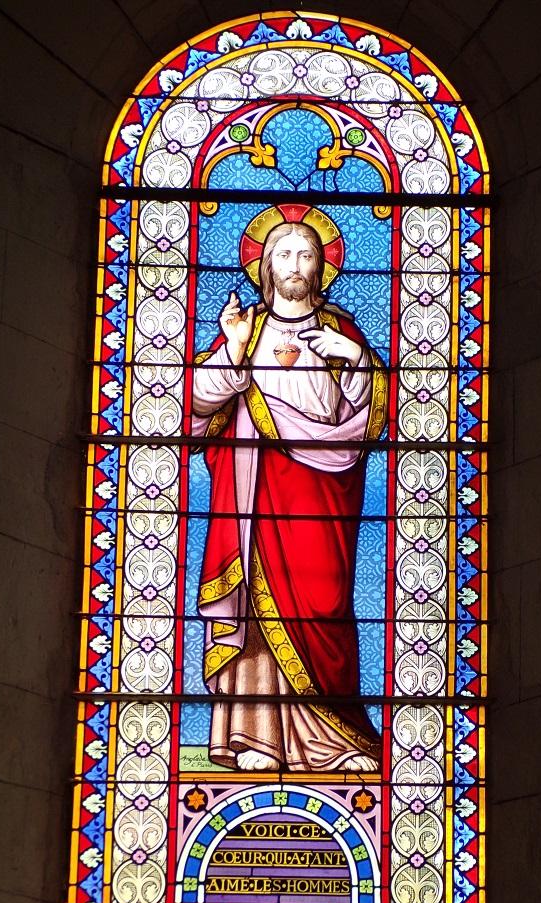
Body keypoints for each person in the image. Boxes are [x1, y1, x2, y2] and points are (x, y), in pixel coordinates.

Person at [192, 217, 387, 772]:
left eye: (307, 255)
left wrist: (349, 359)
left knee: (325, 610)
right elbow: (201, 405)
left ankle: (337, 739)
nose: (296, 265)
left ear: (321, 267)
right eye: (285, 255)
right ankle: (256, 741)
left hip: (321, 498)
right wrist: (231, 351)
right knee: (256, 610)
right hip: (253, 498)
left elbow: (366, 418)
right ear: (266, 267)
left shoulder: (342, 333)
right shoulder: (245, 332)